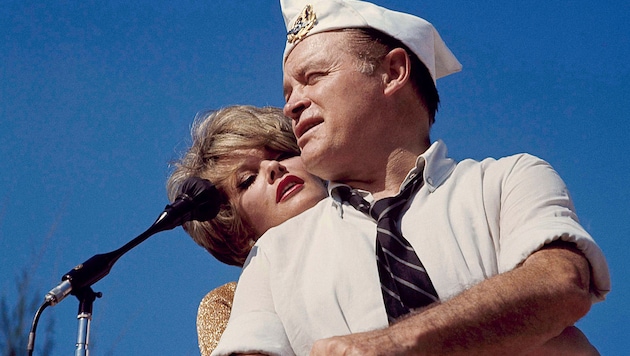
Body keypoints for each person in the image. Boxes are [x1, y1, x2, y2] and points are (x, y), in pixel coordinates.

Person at [213, 1, 611, 355]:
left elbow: (561, 280)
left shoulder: (507, 180)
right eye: (288, 91)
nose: (292, 105)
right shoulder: (272, 256)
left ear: (393, 71)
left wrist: (397, 342)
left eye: (314, 76)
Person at [166, 105, 328, 354]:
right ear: (239, 235)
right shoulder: (227, 302)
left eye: (283, 155)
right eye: (247, 180)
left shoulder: (388, 207)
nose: (274, 167)